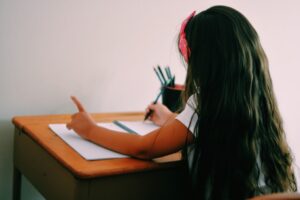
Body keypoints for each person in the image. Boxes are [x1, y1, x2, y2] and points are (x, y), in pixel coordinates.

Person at [67, 5, 298, 200]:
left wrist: (90, 129)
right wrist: (171, 118)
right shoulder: (257, 99)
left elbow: (144, 148)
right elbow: (210, 128)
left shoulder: (205, 102)